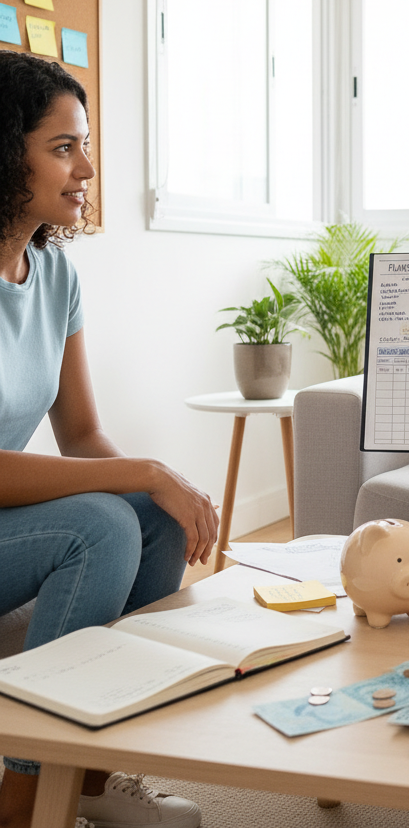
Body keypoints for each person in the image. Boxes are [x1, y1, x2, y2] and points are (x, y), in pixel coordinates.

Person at [0, 51, 216, 828]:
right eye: (63, 148)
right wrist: (147, 470)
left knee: (150, 514)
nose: (86, 169)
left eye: (84, 145)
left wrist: (163, 485)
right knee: (101, 522)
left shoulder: (54, 275)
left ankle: (87, 778)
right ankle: (25, 794)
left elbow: (82, 433)